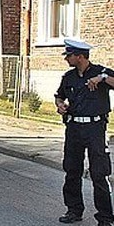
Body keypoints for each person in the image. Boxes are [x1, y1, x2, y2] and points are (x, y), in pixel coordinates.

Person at [55, 39, 114, 226]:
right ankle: (74, 210)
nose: (66, 59)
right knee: (72, 170)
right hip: (74, 128)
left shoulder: (101, 72)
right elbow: (59, 95)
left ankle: (105, 217)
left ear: (80, 56)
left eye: (69, 56)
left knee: (99, 173)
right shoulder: (69, 77)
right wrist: (60, 105)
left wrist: (102, 79)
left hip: (95, 128)